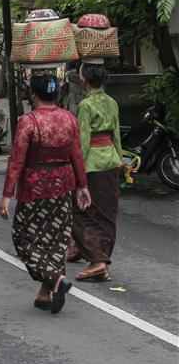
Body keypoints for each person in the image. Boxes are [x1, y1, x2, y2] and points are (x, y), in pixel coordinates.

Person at [0, 72, 91, 314]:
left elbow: (16, 161)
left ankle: (56, 280)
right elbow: (77, 156)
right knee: (56, 241)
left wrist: (6, 196)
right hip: (63, 186)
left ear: (33, 94)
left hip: (35, 187)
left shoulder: (28, 122)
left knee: (23, 238)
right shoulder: (70, 119)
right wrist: (82, 186)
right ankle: (44, 294)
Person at [70, 63, 123, 281]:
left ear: (84, 80)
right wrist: (120, 160)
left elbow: (82, 141)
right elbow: (116, 134)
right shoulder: (112, 102)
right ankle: (96, 258)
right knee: (107, 215)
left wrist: (76, 170)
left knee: (81, 211)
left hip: (92, 164)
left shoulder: (85, 105)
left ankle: (98, 260)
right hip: (111, 161)